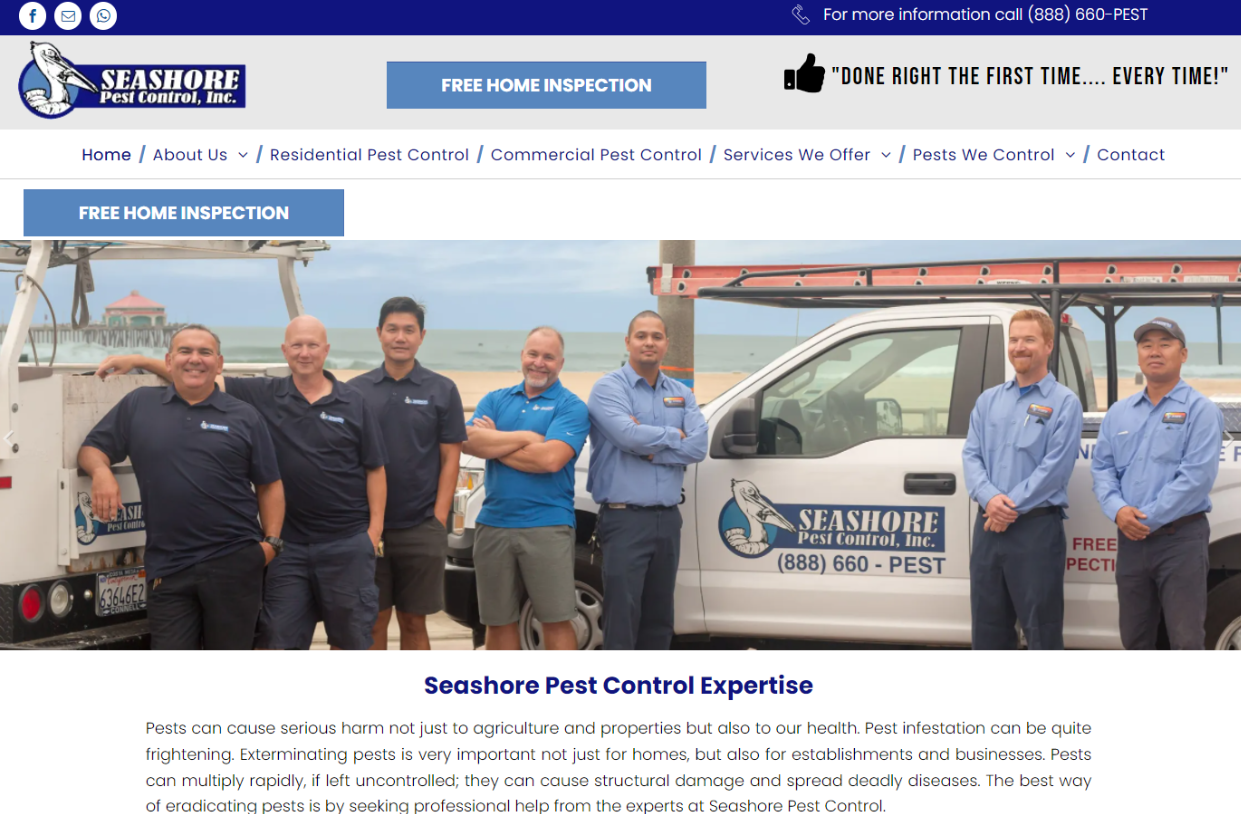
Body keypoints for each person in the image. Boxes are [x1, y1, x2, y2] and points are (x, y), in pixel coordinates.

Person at [95, 315, 387, 651]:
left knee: (351, 642)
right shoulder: (263, 394)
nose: (304, 353)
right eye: (296, 345)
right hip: (289, 547)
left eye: (312, 345)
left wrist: (372, 533)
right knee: (278, 643)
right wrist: (138, 360)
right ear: (284, 350)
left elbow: (375, 468)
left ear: (326, 350)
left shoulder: (354, 401)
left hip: (345, 542)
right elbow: (198, 375)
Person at [80, 325, 285, 650]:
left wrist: (271, 544)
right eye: (185, 351)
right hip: (168, 567)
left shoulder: (244, 416)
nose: (195, 359)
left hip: (234, 561)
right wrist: (101, 472)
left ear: (219, 364)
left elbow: (269, 484)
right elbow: (91, 449)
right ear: (169, 360)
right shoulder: (140, 404)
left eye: (205, 352)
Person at [1091, 317, 1224, 650]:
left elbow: (1196, 478)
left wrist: (1144, 520)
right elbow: (1103, 468)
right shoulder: (1119, 413)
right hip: (1131, 542)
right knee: (1134, 638)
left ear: (1183, 354)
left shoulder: (1201, 411)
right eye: (1146, 345)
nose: (1155, 351)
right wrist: (1118, 510)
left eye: (1165, 344)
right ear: (1138, 356)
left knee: (1185, 640)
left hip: (1181, 541)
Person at [347, 297, 467, 650]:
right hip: (366, 527)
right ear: (379, 333)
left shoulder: (442, 389)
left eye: (409, 330)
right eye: (393, 329)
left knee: (414, 622)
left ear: (421, 336)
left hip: (421, 526)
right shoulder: (355, 391)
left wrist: (438, 517)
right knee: (373, 620)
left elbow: (450, 457)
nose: (400, 337)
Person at [461, 327, 590, 650]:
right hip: (493, 524)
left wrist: (496, 443)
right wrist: (527, 438)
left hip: (548, 525)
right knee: (497, 621)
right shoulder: (495, 399)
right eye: (533, 354)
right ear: (522, 356)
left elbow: (550, 459)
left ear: (561, 363)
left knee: (555, 620)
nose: (539, 363)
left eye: (548, 357)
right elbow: (468, 440)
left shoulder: (571, 406)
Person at [962, 309, 1083, 650]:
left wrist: (1007, 507)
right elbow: (971, 455)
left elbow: (1055, 468)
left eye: (1029, 339)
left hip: (1035, 531)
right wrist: (989, 499)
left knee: (1041, 631)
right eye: (1014, 339)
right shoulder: (988, 401)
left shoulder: (1064, 403)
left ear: (1048, 345)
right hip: (988, 528)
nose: (1019, 347)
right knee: (987, 629)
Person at [586, 311, 708, 650]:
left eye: (656, 336)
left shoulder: (681, 393)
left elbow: (699, 446)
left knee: (660, 619)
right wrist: (673, 435)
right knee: (623, 619)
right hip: (625, 520)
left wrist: (654, 451)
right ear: (628, 342)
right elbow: (628, 436)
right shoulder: (609, 388)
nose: (649, 342)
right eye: (641, 336)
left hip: (668, 520)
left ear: (666, 343)